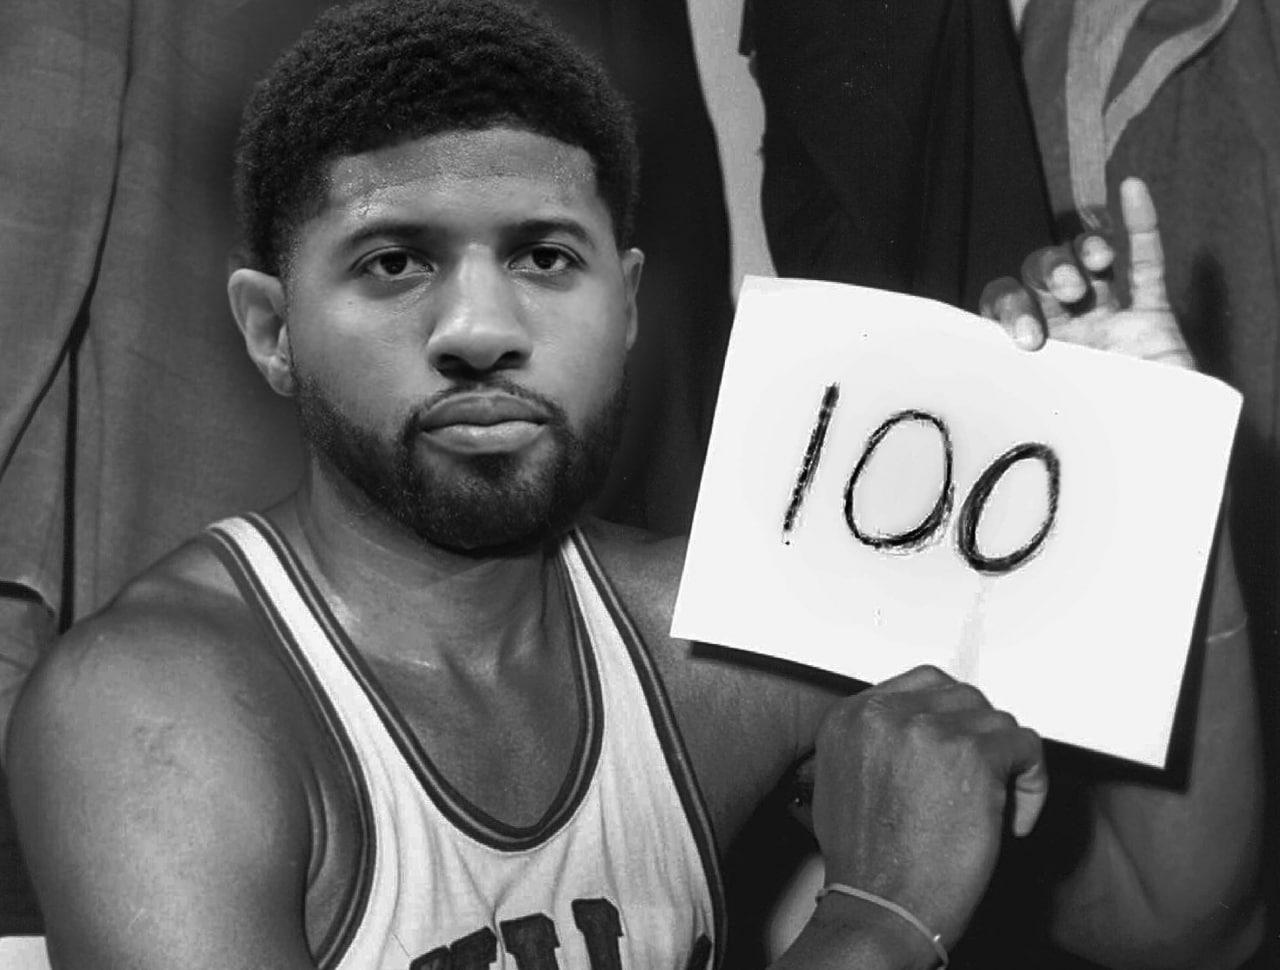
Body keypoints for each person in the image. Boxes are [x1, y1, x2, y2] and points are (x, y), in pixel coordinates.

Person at [4, 1, 1261, 968]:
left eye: (544, 258)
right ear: (273, 330)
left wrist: (1154, 489)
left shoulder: (715, 636)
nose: (479, 331)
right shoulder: (156, 713)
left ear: (627, 306)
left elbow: (1173, 921)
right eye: (394, 263)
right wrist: (877, 922)